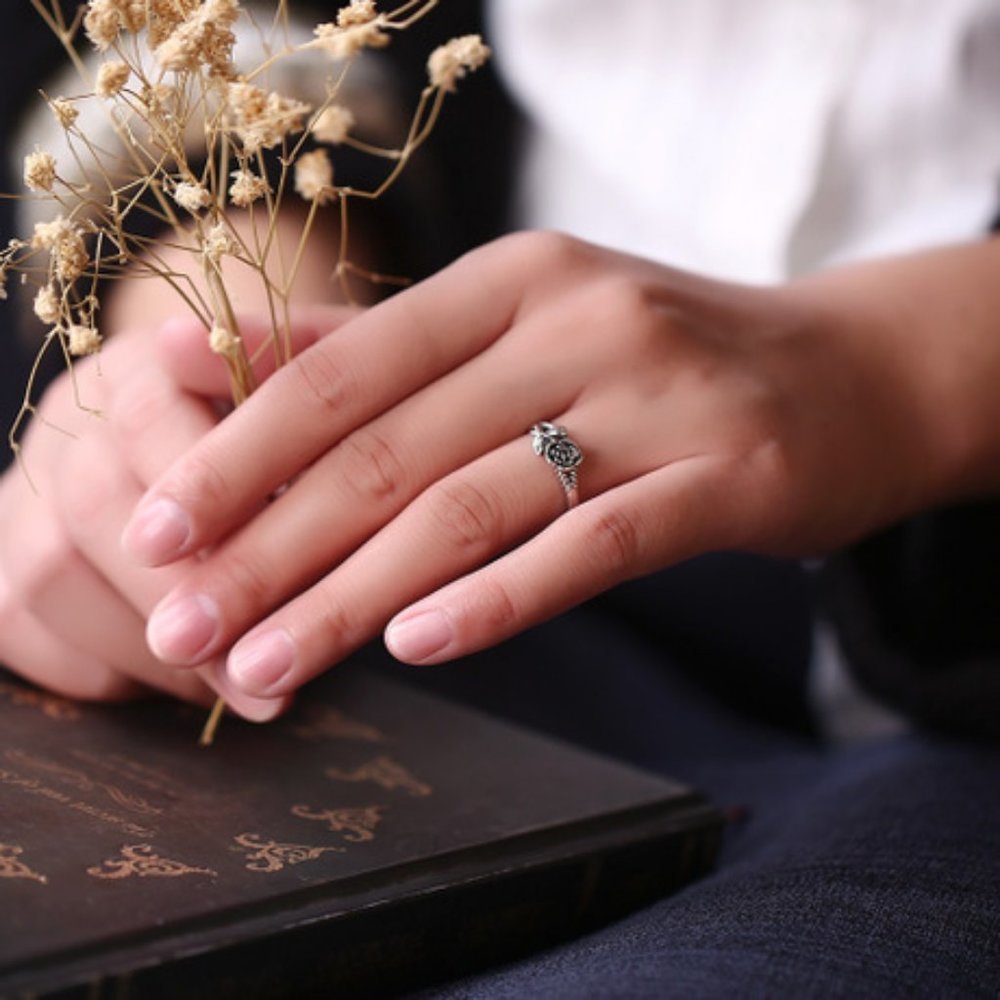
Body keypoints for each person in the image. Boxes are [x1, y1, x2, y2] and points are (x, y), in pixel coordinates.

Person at [1, 1, 998, 995]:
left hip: (936, 705)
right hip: (390, 584)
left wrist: (898, 371)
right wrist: (224, 328)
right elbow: (179, 24)